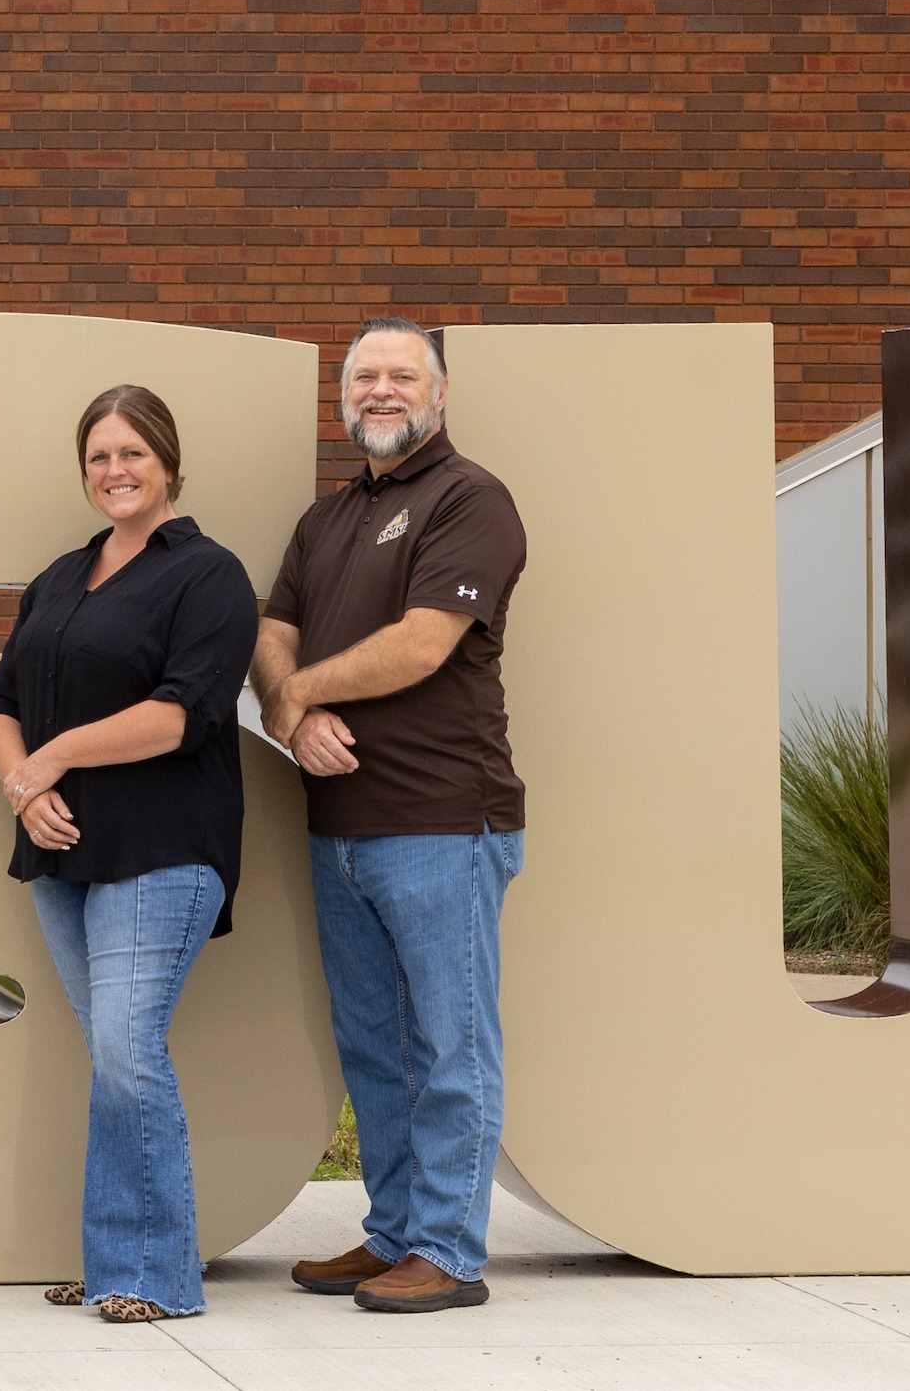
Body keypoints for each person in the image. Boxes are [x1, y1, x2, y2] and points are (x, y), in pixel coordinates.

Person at [252, 318, 532, 1315]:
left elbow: (419, 644)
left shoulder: (469, 500)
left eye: (400, 374)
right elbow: (268, 632)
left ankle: (447, 1250)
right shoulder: (322, 520)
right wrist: (292, 706)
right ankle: (393, 1231)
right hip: (337, 828)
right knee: (373, 1044)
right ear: (342, 397)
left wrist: (294, 700)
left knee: (447, 1042)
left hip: (442, 822)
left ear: (439, 392)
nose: (380, 389)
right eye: (362, 375)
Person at [0, 386, 260, 1324]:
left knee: (129, 1050)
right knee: (112, 1055)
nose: (115, 472)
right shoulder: (62, 576)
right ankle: (112, 1267)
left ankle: (156, 1277)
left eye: (132, 454)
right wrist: (26, 788)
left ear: (169, 464)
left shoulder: (208, 575)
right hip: (61, 854)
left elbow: (181, 714)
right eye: (98, 456)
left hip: (162, 849)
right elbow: (0, 703)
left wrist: (53, 758)